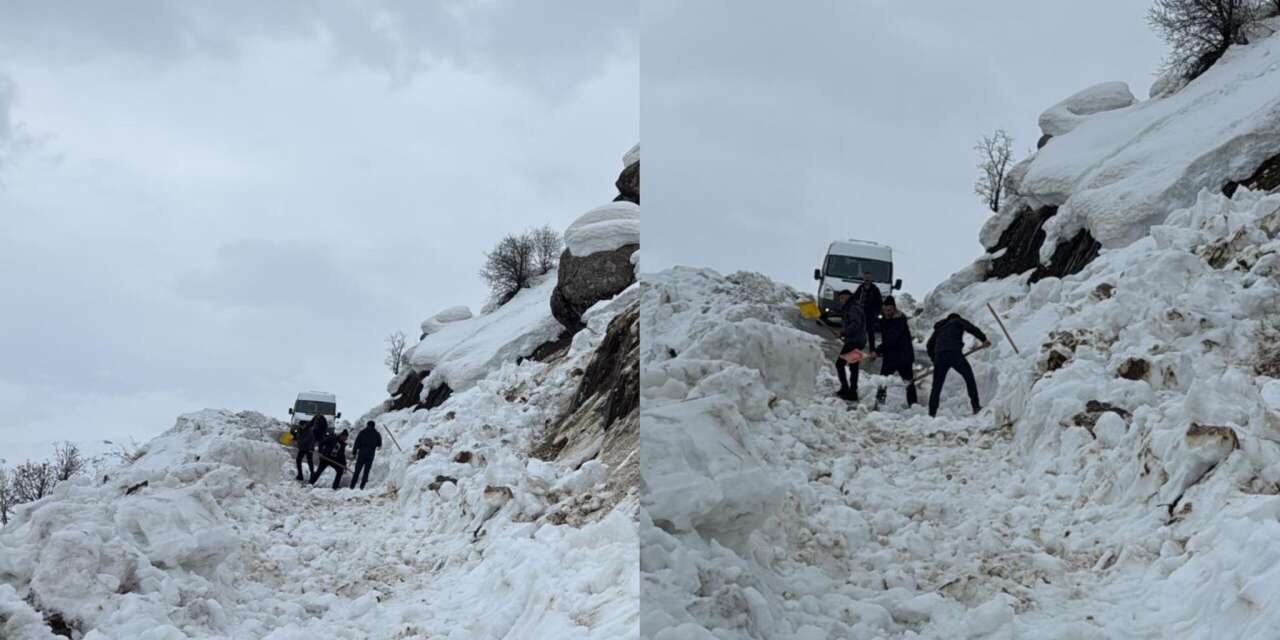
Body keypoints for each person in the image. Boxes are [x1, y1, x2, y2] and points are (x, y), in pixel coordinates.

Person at [925, 312, 991, 417]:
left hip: (940, 356)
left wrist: (935, 359)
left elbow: (929, 345)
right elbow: (971, 328)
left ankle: (931, 414)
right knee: (969, 377)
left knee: (936, 387)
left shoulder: (939, 328)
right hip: (954, 353)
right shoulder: (957, 321)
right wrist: (984, 339)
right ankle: (976, 406)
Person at [874, 296, 917, 408]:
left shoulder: (899, 320)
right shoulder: (885, 319)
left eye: (889, 310)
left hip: (903, 357)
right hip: (890, 357)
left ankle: (913, 406)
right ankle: (879, 405)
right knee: (883, 381)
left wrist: (877, 351)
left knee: (908, 383)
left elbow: (891, 339)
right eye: (885, 310)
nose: (887, 312)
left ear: (894, 309)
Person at [834, 289, 867, 401]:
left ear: (848, 297)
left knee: (840, 364)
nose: (841, 300)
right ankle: (852, 392)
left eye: (842, 298)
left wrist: (843, 332)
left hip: (855, 341)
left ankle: (846, 389)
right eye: (840, 298)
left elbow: (855, 324)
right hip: (857, 340)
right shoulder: (852, 307)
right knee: (853, 366)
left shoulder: (853, 308)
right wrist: (844, 334)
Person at [854, 273, 883, 352]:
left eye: (868, 278)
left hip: (870, 314)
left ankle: (872, 351)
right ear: (863, 278)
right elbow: (854, 298)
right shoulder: (860, 288)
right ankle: (856, 349)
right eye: (865, 277)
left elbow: (879, 302)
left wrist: (876, 312)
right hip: (860, 313)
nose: (866, 279)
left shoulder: (875, 289)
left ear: (871, 279)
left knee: (870, 333)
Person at [350, 421, 383, 490]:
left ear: (367, 425)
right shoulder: (376, 433)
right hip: (371, 453)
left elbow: (357, 443)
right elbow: (379, 444)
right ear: (374, 426)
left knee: (357, 470)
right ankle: (362, 487)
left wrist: (354, 452)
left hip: (362, 451)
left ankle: (352, 486)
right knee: (366, 470)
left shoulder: (362, 432)